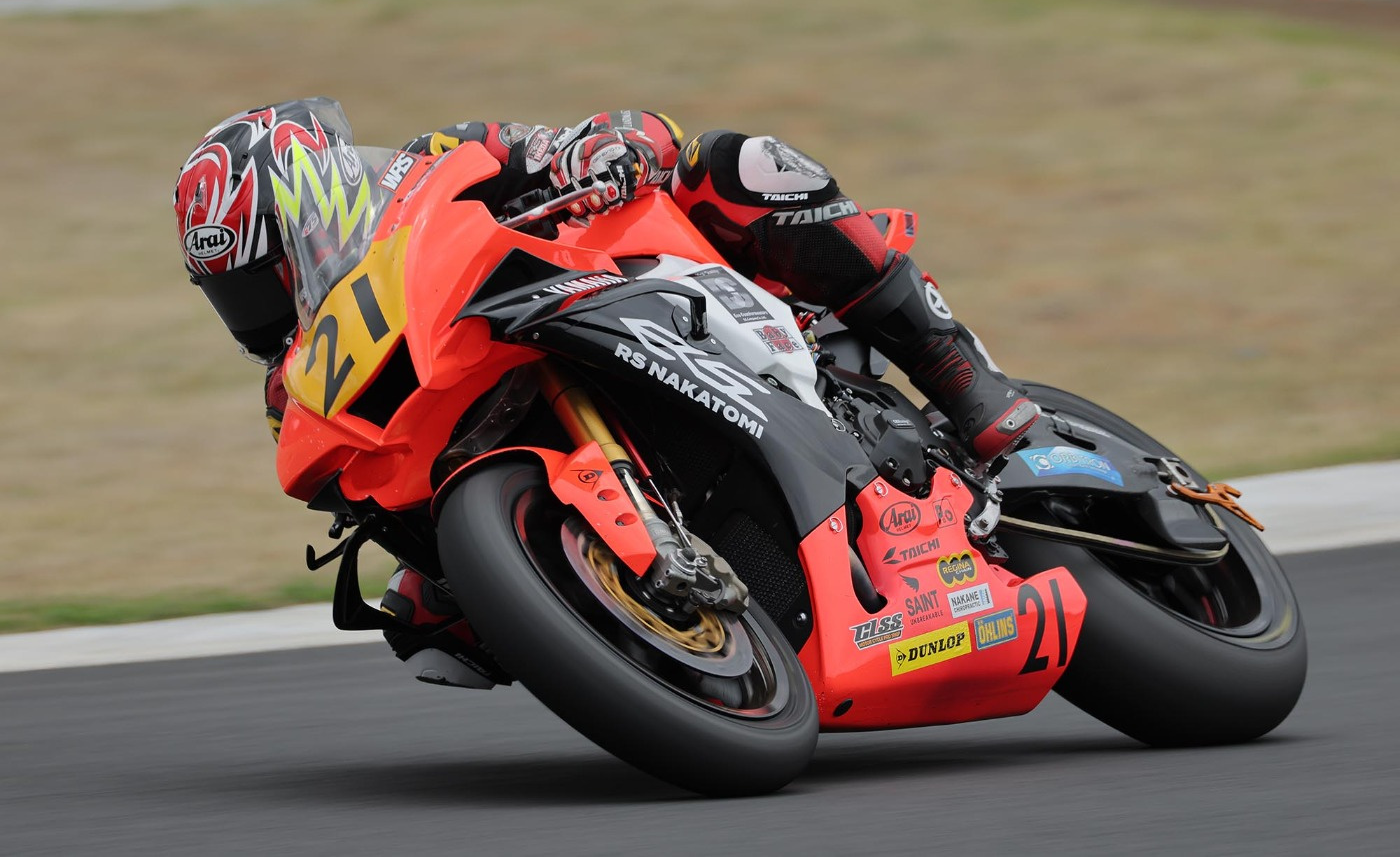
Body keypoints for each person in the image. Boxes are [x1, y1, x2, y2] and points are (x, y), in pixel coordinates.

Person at [173, 97, 1040, 687]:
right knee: (429, 624)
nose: (251, 312)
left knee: (734, 165)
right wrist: (443, 563)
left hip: (629, 292)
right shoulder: (296, 388)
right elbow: (364, 484)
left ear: (310, 199)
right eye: (229, 295)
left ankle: (960, 374)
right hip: (515, 441)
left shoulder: (430, 166)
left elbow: (614, 131)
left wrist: (603, 149)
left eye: (258, 277)